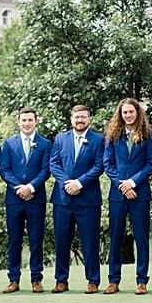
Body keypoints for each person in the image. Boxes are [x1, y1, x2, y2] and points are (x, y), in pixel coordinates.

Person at [102, 98, 152, 295]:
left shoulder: (149, 136)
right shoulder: (112, 136)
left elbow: (151, 164)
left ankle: (142, 281)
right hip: (117, 195)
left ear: (137, 113)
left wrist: (132, 183)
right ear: (120, 114)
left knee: (141, 238)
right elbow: (108, 164)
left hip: (139, 194)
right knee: (115, 237)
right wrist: (122, 185)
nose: (128, 115)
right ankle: (113, 280)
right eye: (124, 112)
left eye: (131, 112)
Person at [49, 104, 105, 293]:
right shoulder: (60, 138)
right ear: (71, 119)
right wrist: (67, 183)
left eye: (83, 117)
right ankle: (61, 280)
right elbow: (54, 163)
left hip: (88, 200)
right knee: (62, 242)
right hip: (62, 199)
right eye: (76, 117)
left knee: (90, 242)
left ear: (89, 119)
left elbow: (99, 166)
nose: (79, 120)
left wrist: (79, 184)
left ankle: (93, 281)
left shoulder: (98, 140)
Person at [0, 107, 51, 293]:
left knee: (36, 239)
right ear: (18, 122)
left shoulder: (45, 144)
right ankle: (13, 279)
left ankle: (36, 279)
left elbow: (46, 170)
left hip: (36, 198)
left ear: (36, 121)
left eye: (30, 120)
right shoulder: (9, 143)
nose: (27, 123)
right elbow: (4, 170)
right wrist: (19, 188)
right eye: (24, 120)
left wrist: (31, 187)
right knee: (14, 240)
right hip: (14, 199)